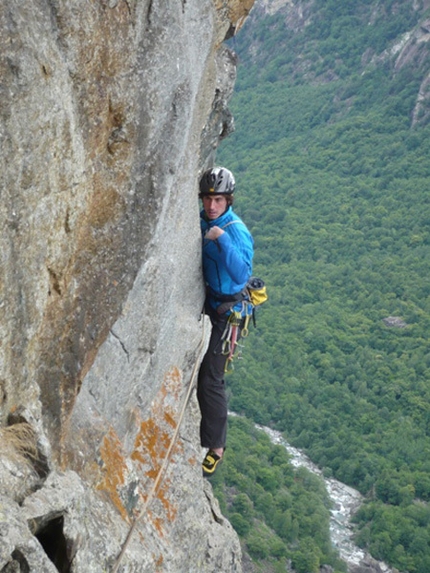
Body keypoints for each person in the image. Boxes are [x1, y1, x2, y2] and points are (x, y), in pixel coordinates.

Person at [197, 166, 254, 477]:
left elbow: (241, 273)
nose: (211, 205)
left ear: (228, 200)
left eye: (217, 199)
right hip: (209, 299)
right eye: (207, 198)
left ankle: (216, 446)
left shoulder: (234, 229)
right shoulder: (203, 219)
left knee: (211, 380)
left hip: (227, 311)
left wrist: (221, 239)